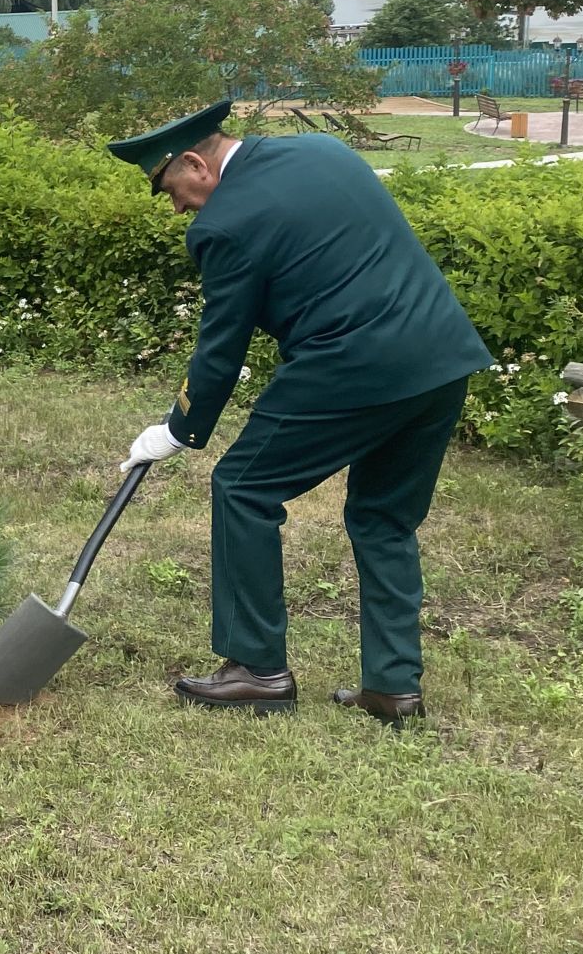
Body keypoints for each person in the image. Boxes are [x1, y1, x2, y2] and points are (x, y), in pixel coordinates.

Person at [109, 98, 491, 725]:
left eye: (171, 190)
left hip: (351, 367)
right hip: (442, 356)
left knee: (243, 488)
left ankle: (256, 669)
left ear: (194, 165)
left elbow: (221, 349)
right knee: (383, 520)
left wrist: (179, 429)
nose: (177, 207)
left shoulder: (222, 226)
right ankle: (393, 689)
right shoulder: (323, 151)